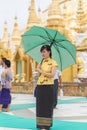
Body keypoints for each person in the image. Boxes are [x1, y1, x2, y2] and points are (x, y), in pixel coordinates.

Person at [36, 45, 58, 130]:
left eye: (44, 51)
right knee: (40, 106)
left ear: (49, 52)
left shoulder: (53, 62)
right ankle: (40, 125)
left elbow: (52, 75)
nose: (42, 53)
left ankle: (46, 126)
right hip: (40, 85)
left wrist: (41, 70)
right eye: (42, 52)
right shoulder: (41, 62)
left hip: (48, 86)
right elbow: (39, 75)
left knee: (47, 106)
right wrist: (38, 69)